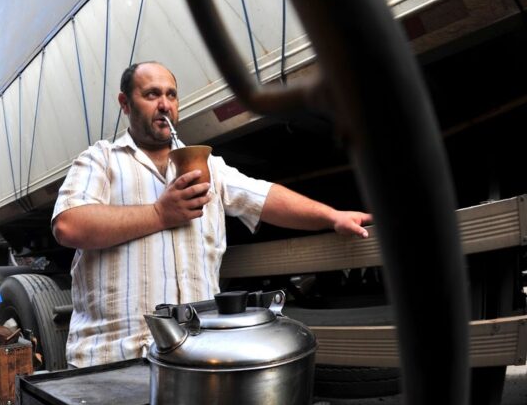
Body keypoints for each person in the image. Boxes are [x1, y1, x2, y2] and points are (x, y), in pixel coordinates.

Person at [51, 61, 372, 368]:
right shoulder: (101, 159)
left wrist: (331, 216)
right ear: (125, 103)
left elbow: (263, 196)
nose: (164, 104)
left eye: (171, 95)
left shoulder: (211, 168)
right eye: (151, 95)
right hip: (114, 358)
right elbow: (68, 225)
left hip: (195, 358)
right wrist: (160, 214)